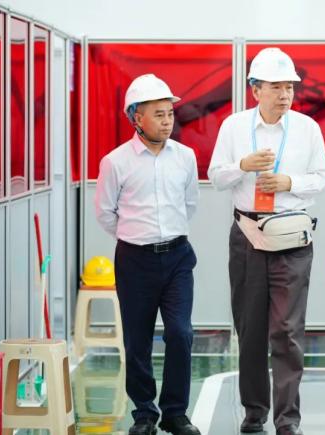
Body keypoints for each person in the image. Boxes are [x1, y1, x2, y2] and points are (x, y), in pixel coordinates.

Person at [208, 47, 325, 435]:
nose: (284, 94)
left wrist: (288, 182)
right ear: (255, 89)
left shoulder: (307, 129)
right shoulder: (233, 127)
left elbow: (323, 176)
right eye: (276, 87)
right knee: (250, 329)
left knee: (288, 331)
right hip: (247, 236)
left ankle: (288, 419)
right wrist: (242, 166)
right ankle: (254, 411)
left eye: (289, 87)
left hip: (292, 239)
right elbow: (215, 176)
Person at [95, 73, 201, 435]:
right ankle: (144, 413)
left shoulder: (185, 157)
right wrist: (135, 237)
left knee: (181, 333)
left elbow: (189, 204)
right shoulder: (115, 162)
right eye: (159, 114)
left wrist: (164, 235)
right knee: (137, 340)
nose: (167, 121)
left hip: (178, 258)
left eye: (170, 113)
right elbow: (105, 213)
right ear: (136, 118)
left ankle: (175, 413)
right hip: (134, 260)